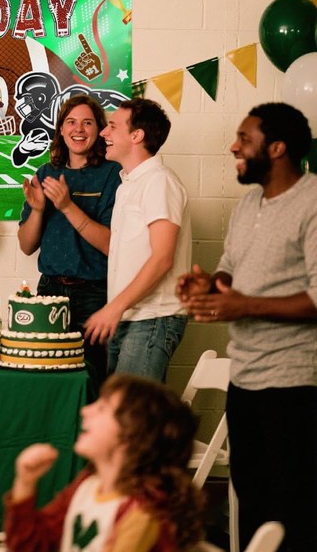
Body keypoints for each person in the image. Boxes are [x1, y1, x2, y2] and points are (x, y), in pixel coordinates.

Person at [177, 102, 317, 552]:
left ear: (277, 148)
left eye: (244, 139)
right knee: (252, 502)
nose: (232, 146)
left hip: (296, 384)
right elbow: (230, 270)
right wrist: (210, 285)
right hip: (246, 379)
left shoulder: (313, 202)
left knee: (294, 512)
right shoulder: (248, 203)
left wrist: (242, 305)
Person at [4, 374, 203, 552]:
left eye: (101, 408)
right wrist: (25, 483)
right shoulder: (89, 485)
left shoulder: (142, 514)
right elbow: (34, 546)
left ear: (131, 435)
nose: (85, 411)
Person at [18, 94, 121, 385]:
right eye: (71, 122)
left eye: (87, 122)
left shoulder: (113, 173)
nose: (79, 129)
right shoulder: (46, 173)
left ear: (99, 130)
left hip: (95, 296)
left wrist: (66, 205)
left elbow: (112, 246)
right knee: (46, 379)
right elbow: (26, 246)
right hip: (49, 292)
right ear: (60, 130)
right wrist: (38, 210)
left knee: (92, 380)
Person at [85, 98, 190, 382]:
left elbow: (162, 258)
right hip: (129, 319)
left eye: (112, 126)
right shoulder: (129, 184)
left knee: (130, 419)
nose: (104, 133)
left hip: (152, 319)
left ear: (136, 135)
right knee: (121, 414)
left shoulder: (159, 181)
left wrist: (113, 308)